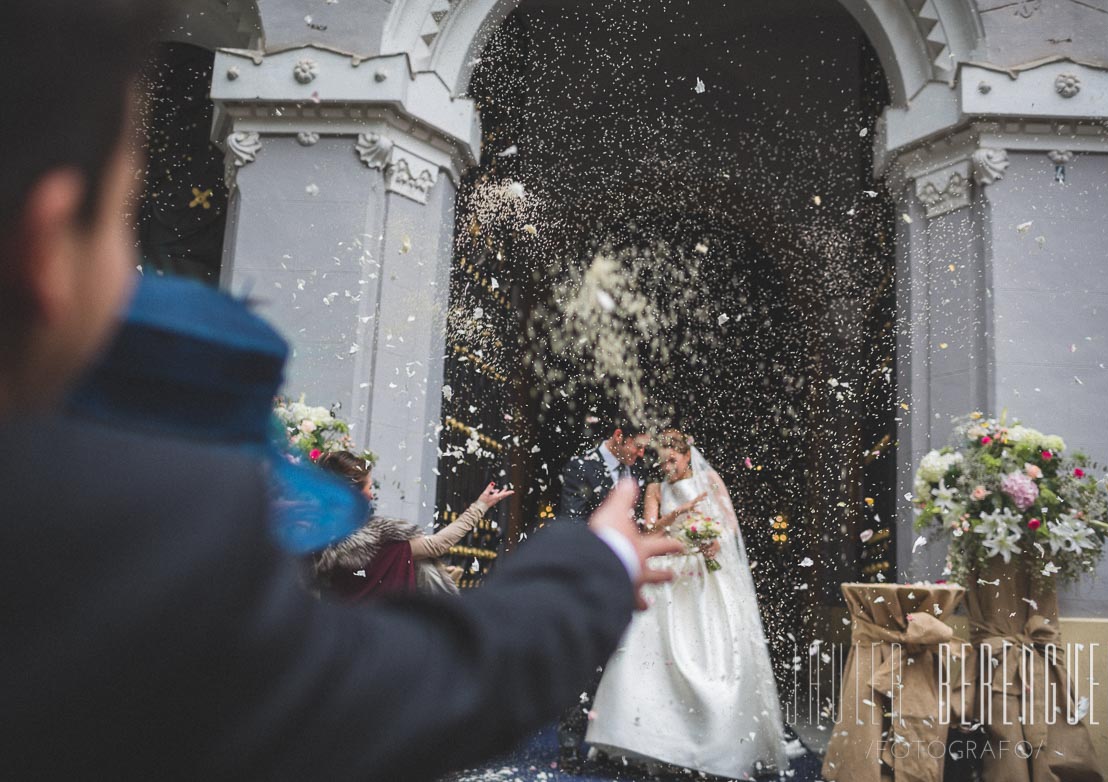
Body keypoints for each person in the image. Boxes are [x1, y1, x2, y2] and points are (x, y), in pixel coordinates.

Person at [0, 3, 683, 780]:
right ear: (44, 247)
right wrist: (593, 561)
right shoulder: (119, 527)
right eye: (118, 222)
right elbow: (422, 691)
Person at [585, 429, 798, 779]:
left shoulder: (709, 479)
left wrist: (715, 542)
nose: (668, 467)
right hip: (671, 571)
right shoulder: (655, 488)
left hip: (706, 573)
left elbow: (729, 524)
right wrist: (676, 516)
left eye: (674, 460)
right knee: (655, 654)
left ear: (687, 455)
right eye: (663, 461)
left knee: (712, 651)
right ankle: (655, 740)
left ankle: (717, 744)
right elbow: (651, 531)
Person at [555, 420, 651, 767]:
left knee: (618, 659)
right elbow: (573, 522)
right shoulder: (582, 467)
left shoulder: (632, 474)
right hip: (589, 576)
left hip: (625, 579)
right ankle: (569, 745)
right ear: (617, 437)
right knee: (584, 661)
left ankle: (609, 741)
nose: (641, 454)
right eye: (637, 446)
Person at [313, 451, 515, 597]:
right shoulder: (378, 541)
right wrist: (481, 505)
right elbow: (437, 545)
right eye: (368, 486)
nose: (371, 493)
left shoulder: (315, 539)